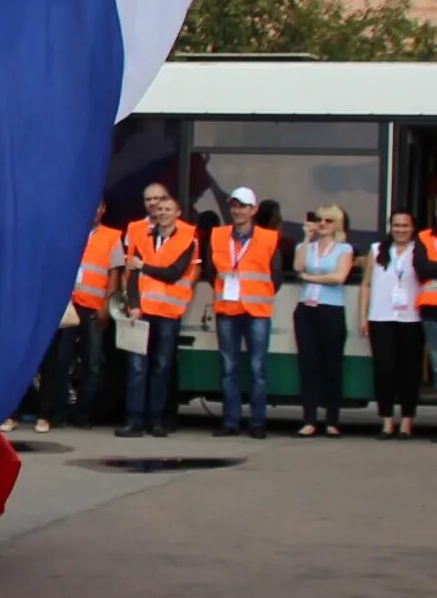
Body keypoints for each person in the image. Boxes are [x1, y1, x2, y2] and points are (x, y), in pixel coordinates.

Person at [116, 183, 198, 439]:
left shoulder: (187, 239)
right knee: (137, 368)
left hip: (168, 314)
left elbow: (174, 274)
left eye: (167, 208)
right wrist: (134, 305)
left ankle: (157, 421)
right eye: (159, 208)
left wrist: (145, 266)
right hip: (142, 312)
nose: (161, 212)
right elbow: (131, 275)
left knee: (161, 367)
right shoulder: (142, 236)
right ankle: (134, 421)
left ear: (178, 213)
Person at [208, 185, 279, 439]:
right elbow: (209, 270)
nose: (237, 211)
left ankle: (258, 423)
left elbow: (276, 275)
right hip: (227, 309)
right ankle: (231, 421)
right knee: (229, 367)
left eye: (243, 206)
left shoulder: (269, 238)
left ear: (254, 210)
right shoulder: (218, 236)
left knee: (258, 368)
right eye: (234, 206)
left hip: (257, 310)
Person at [363, 212, 431, 440]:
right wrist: (363, 316)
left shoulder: (420, 251)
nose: (400, 229)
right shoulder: (377, 250)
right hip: (381, 317)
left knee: (409, 371)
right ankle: (387, 421)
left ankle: (407, 423)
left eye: (405, 225)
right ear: (390, 227)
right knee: (384, 370)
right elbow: (366, 284)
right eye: (396, 225)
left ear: (413, 228)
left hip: (411, 319)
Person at [290, 205, 353, 438]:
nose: (323, 224)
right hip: (306, 309)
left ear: (337, 224)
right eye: (319, 220)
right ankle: (309, 419)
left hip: (331, 309)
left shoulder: (344, 248)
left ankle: (332, 420)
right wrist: (307, 238)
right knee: (308, 365)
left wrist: (309, 277)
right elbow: (297, 266)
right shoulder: (305, 247)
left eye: (329, 220)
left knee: (332, 365)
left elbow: (339, 277)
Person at [63, 202, 121, 428]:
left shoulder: (112, 237)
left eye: (97, 206)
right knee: (63, 360)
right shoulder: (71, 231)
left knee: (93, 362)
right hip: (70, 306)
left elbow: (114, 274)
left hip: (94, 307)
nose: (93, 210)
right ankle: (60, 410)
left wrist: (107, 305)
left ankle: (84, 413)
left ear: (104, 209)